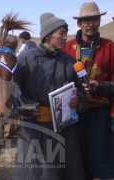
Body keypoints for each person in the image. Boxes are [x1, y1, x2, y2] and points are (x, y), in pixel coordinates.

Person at [13, 12, 86, 180]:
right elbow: (14, 90)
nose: (65, 37)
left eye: (65, 33)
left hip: (65, 129)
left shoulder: (70, 61)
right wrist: (27, 107)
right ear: (48, 35)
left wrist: (79, 99)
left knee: (67, 173)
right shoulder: (26, 59)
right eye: (61, 33)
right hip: (36, 129)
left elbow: (80, 89)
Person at [64, 2, 114, 179]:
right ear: (79, 24)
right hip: (73, 113)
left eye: (94, 19)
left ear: (100, 21)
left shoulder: (110, 47)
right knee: (76, 161)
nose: (90, 23)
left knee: (99, 161)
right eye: (86, 20)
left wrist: (100, 86)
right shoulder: (67, 47)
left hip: (100, 114)